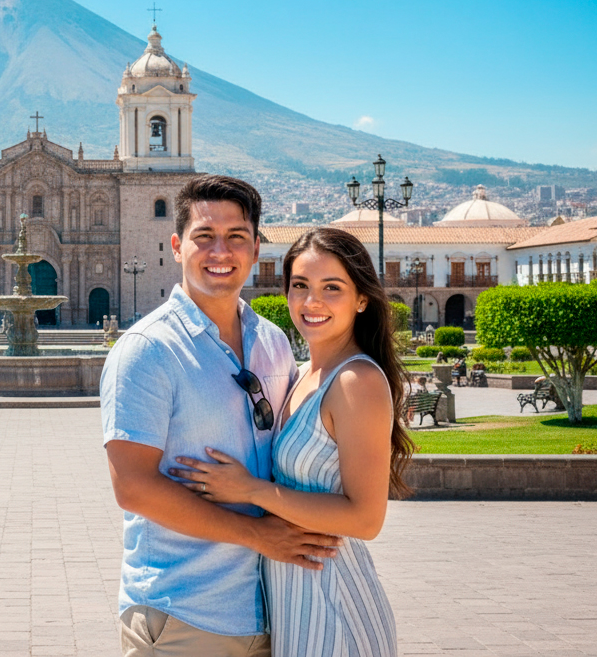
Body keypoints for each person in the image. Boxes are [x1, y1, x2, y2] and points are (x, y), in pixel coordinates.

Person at [101, 175, 342, 657]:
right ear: (176, 246)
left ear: (255, 247)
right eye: (204, 237)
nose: (220, 252)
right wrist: (258, 534)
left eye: (236, 237)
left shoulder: (273, 342)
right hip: (183, 616)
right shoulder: (146, 351)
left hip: (275, 609)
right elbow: (133, 487)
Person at [169, 227, 411, 657]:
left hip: (335, 606)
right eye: (300, 286)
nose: (311, 302)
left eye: (331, 288)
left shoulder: (358, 381)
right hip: (293, 604)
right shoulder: (301, 376)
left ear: (361, 299)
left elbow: (366, 519)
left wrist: (249, 490)